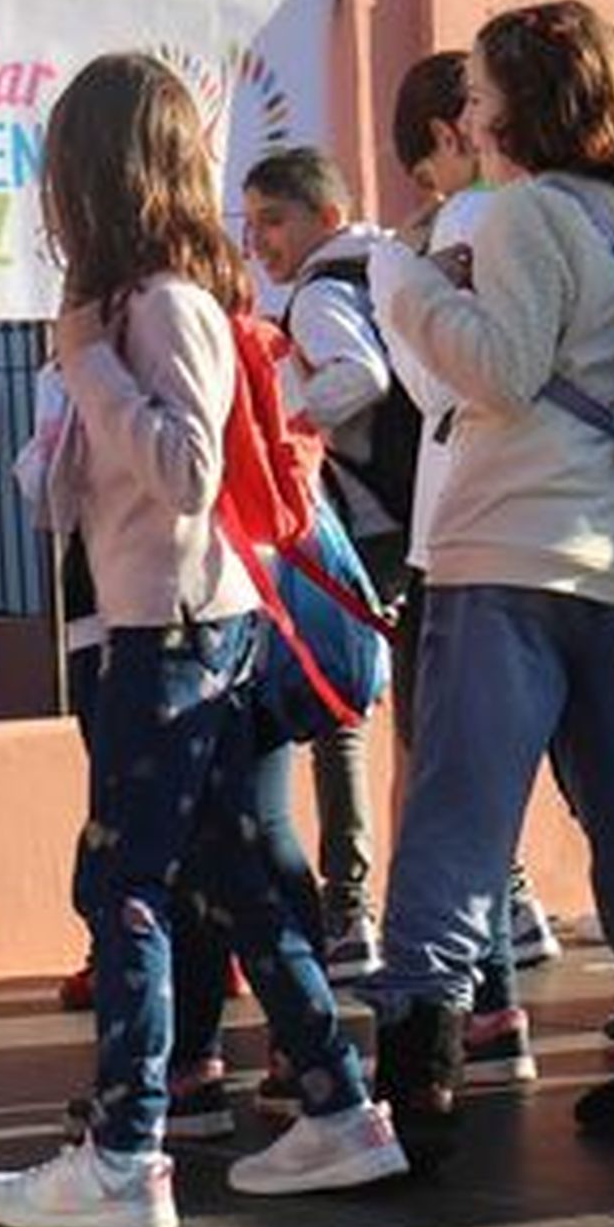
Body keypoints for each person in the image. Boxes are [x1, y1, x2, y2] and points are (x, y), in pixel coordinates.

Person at [0, 54, 404, 1227]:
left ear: (95, 173)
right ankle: (339, 1107)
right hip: (163, 622)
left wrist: (91, 369)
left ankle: (123, 1150)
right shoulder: (135, 307)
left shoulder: (161, 304)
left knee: (123, 884)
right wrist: (73, 407)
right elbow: (103, 483)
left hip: (169, 631)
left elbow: (187, 469)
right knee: (235, 879)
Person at [365, 0, 614, 1150]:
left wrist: (407, 285)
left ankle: (418, 1060)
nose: (469, 114)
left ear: (526, 97)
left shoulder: (528, 214)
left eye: (480, 91)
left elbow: (499, 371)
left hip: (513, 546)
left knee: (459, 807)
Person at [383, 55, 560, 1094]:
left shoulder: (459, 232)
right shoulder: (563, 215)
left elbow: (427, 383)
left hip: (463, 534)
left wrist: (405, 289)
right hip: (540, 527)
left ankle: (475, 1008)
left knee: (453, 783)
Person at [241, 145, 413, 984]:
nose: (260, 240)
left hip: (372, 525)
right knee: (431, 719)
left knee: (336, 706)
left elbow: (362, 375)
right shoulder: (390, 265)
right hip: (429, 516)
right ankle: (504, 911)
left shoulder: (317, 293)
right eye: (251, 223)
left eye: (274, 219)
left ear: (326, 217)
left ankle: (350, 908)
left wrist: (293, 427)